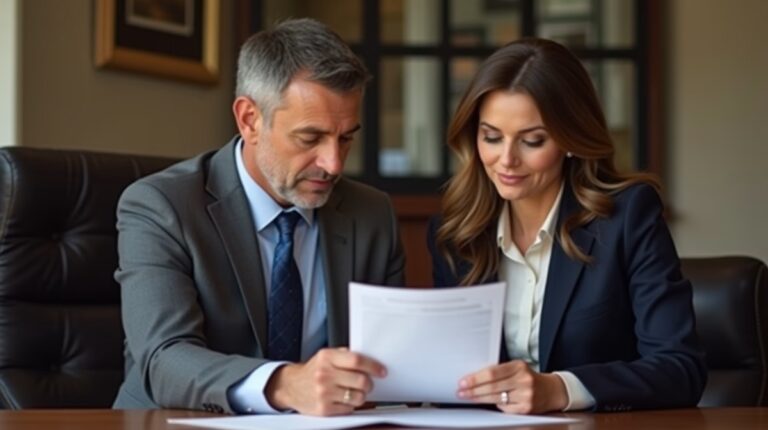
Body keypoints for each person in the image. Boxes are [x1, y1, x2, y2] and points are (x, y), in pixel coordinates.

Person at [113, 18, 404, 416]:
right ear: (250, 119)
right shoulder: (161, 207)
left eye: (346, 138)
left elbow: (391, 361)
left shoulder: (372, 215)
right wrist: (284, 384)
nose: (334, 163)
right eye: (310, 138)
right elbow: (164, 360)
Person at [428, 38, 706, 414]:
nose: (506, 159)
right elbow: (450, 375)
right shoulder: (456, 232)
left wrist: (560, 389)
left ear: (570, 139)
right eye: (491, 137)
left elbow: (680, 369)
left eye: (532, 141)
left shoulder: (627, 217)